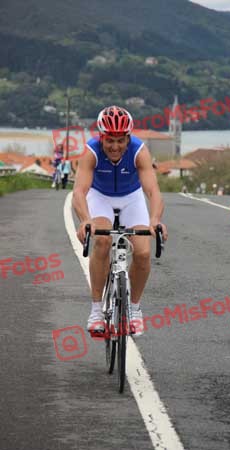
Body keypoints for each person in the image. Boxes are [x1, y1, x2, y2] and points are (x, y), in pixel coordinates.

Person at [72, 105, 168, 336]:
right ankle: (96, 311)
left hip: (131, 198)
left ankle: (134, 310)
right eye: (110, 140)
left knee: (143, 252)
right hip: (100, 197)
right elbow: (79, 191)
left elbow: (153, 191)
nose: (115, 147)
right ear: (102, 137)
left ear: (128, 138)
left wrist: (155, 220)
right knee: (103, 241)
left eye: (120, 140)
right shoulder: (91, 151)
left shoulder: (139, 151)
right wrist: (86, 220)